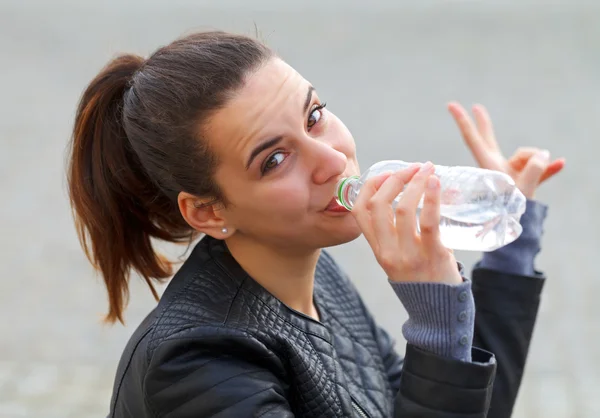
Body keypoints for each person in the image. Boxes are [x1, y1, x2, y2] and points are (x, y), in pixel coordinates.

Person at [67, 31, 565, 417]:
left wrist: (508, 248)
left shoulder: (315, 274)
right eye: (275, 159)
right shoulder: (197, 365)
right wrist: (433, 316)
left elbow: (460, 404)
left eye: (314, 115)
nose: (330, 159)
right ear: (208, 212)